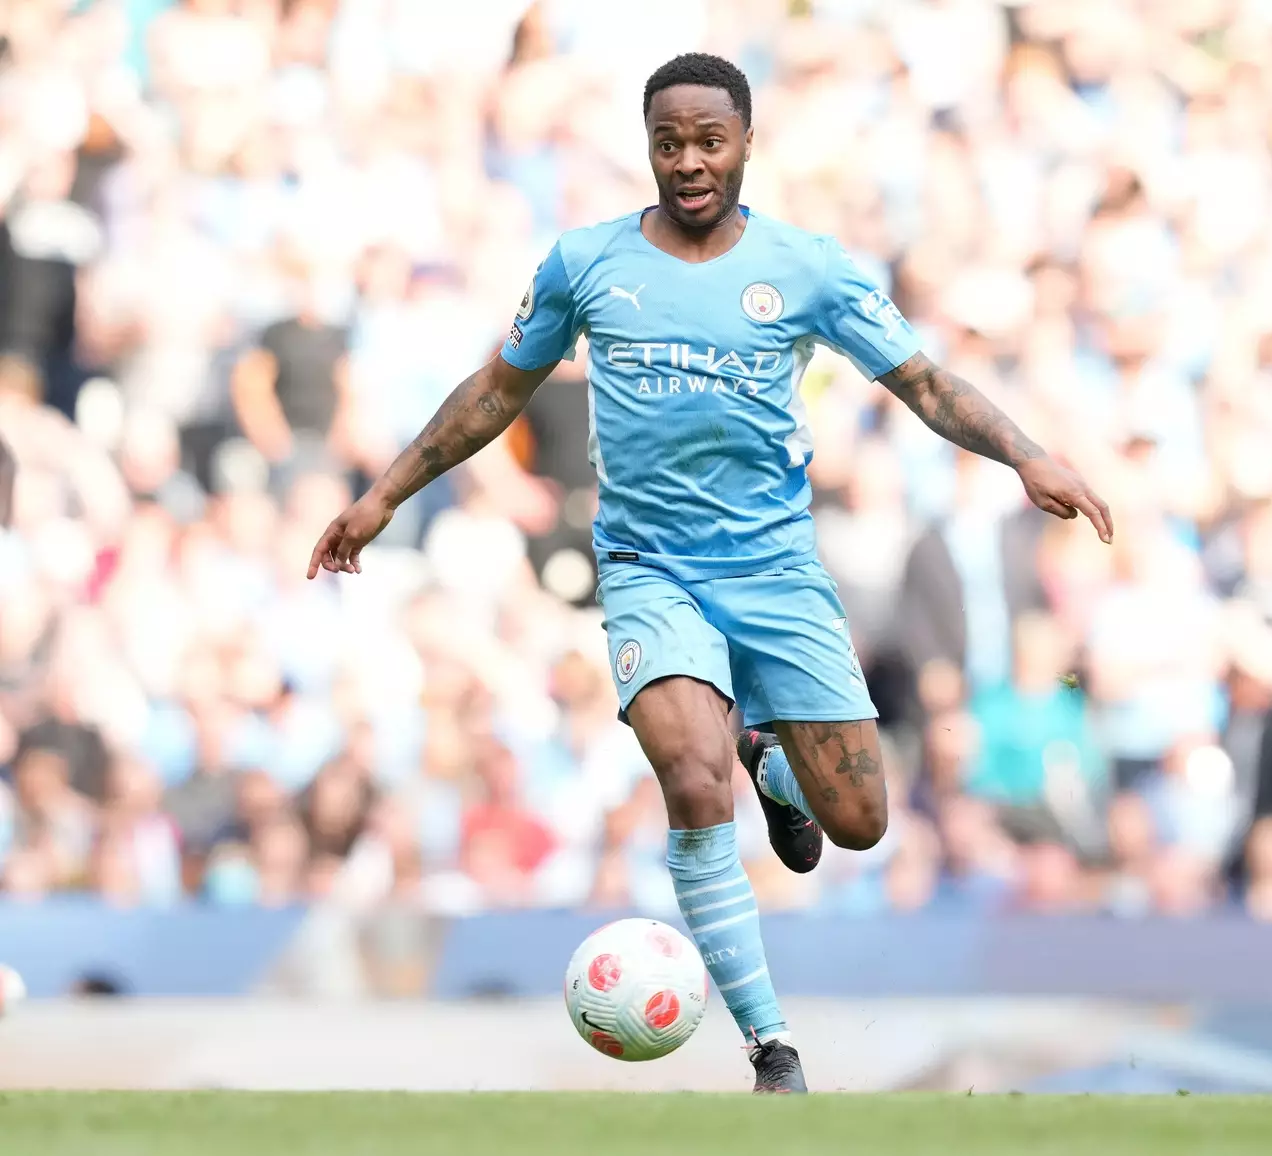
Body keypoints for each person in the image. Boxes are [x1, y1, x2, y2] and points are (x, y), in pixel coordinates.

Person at [307, 53, 1111, 1093]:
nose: (688, 161)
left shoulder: (807, 267)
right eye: (668, 142)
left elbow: (922, 381)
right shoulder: (585, 264)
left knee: (861, 823)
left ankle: (775, 762)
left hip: (777, 572)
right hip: (649, 569)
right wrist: (383, 496)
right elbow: (492, 393)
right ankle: (772, 1047)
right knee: (692, 779)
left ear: (746, 144)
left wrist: (1026, 455)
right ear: (647, 146)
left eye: (709, 140)